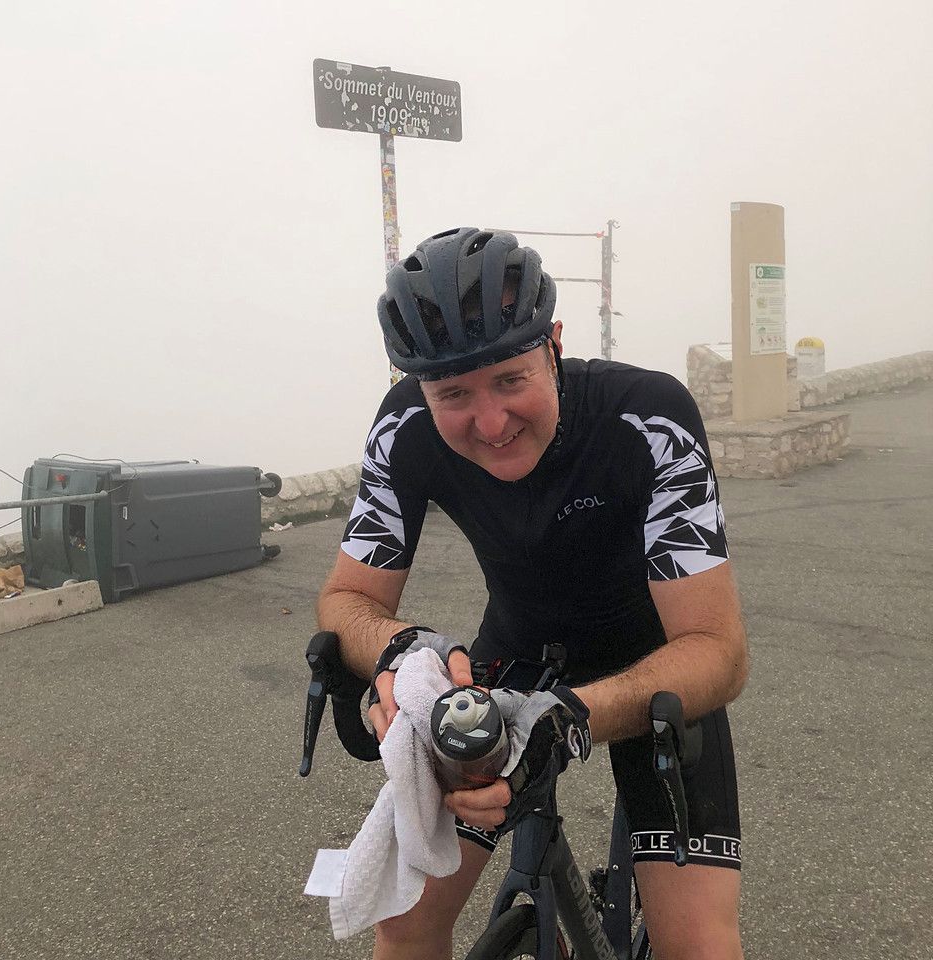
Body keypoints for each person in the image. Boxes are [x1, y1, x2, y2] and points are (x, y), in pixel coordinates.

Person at [316, 226, 749, 960]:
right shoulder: (404, 427)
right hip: (512, 661)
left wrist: (571, 718)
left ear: (553, 342)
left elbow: (718, 653)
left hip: (658, 673)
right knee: (405, 925)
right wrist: (401, 654)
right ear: (416, 385)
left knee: (698, 946)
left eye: (510, 380)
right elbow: (346, 600)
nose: (490, 422)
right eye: (453, 392)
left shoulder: (647, 416)